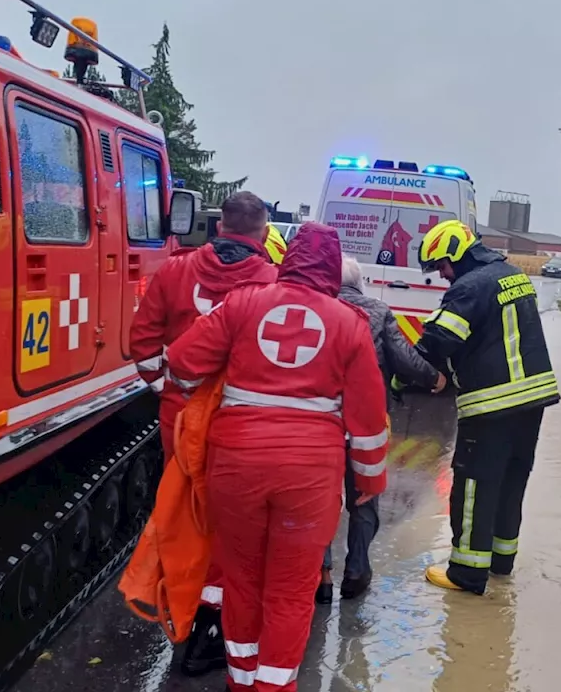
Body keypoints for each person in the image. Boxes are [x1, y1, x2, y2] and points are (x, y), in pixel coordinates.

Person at [164, 222, 391, 692]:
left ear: (287, 259)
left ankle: (241, 681)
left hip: (236, 465)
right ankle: (275, 685)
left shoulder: (243, 302)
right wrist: (370, 482)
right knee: (290, 591)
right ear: (332, 268)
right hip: (308, 477)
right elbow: (368, 420)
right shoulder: (350, 323)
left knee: (242, 581)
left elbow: (183, 361)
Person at [128, 190, 278, 676]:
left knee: (182, 512)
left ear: (217, 228)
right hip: (235, 422)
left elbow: (143, 342)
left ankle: (176, 610)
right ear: (263, 234)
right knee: (229, 526)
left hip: (179, 416)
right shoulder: (270, 282)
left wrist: (164, 391)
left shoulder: (174, 269)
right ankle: (211, 624)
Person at [413, 219, 560, 595]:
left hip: (492, 404)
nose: (442, 275)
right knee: (512, 481)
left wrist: (405, 376)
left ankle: (466, 573)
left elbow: (437, 342)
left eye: (441, 265)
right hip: (533, 399)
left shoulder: (469, 287)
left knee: (473, 486)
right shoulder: (513, 275)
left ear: (457, 255)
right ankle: (500, 563)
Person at [316, 256, 446, 604]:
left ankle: (322, 574)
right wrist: (435, 378)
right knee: (365, 494)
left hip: (320, 420)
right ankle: (357, 569)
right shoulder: (376, 311)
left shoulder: (317, 307)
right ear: (360, 283)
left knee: (323, 498)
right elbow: (404, 358)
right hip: (367, 423)